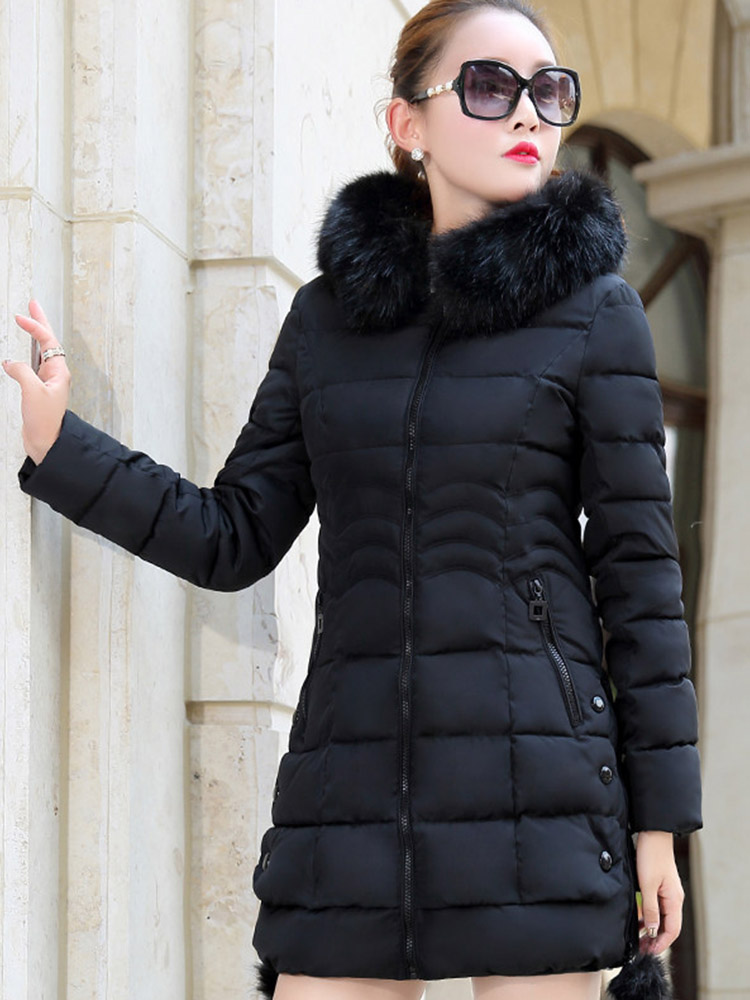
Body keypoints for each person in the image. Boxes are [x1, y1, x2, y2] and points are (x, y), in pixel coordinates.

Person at [3, 1, 703, 998]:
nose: (527, 114)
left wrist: (659, 824)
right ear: (406, 122)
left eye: (550, 92)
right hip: (353, 798)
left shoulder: (596, 314)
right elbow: (234, 533)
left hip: (543, 800)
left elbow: (641, 582)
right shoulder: (327, 320)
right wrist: (60, 445)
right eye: (490, 86)